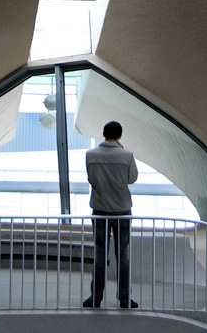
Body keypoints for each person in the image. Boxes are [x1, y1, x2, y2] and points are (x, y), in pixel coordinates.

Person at [83, 120, 138, 309]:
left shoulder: (90, 155)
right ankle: (124, 299)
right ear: (120, 136)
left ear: (103, 134)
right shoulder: (127, 155)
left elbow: (91, 178)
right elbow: (132, 179)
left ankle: (96, 298)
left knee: (100, 254)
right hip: (122, 211)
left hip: (99, 210)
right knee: (123, 255)